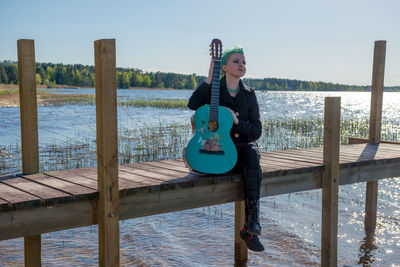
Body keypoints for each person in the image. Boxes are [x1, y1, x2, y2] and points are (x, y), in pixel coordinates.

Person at [187, 46, 264, 252]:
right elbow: (193, 104)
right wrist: (210, 78)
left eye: (244, 62)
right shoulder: (215, 90)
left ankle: (252, 224)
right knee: (250, 158)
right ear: (225, 66)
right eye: (237, 62)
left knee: (251, 154)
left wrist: (236, 120)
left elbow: (256, 131)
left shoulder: (249, 95)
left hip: (239, 153)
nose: (242, 66)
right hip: (215, 151)